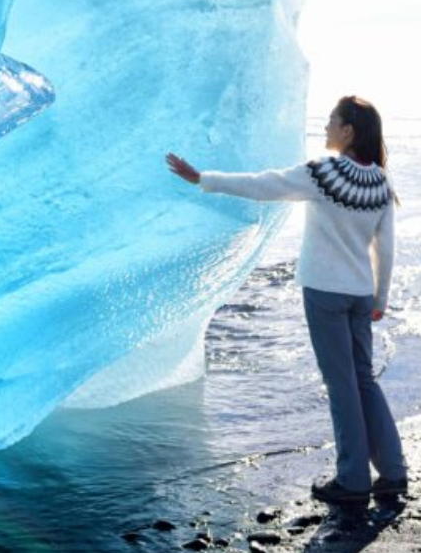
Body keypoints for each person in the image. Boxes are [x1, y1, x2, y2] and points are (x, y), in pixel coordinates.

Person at [165, 95, 408, 505]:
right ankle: (394, 471)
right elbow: (386, 248)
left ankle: (352, 480)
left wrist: (203, 178)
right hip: (360, 293)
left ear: (348, 130)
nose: (326, 126)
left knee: (342, 385)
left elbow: (264, 185)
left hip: (325, 292)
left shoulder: (323, 173)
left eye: (332, 120)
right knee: (363, 379)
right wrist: (380, 297)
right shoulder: (382, 183)